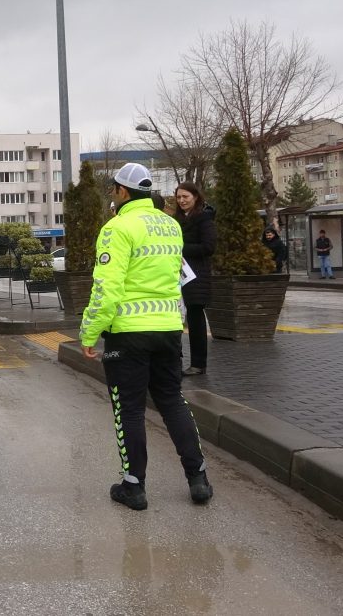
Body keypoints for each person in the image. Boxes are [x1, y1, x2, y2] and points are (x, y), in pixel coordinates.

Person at [80, 163, 212, 511]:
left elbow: (106, 289)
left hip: (128, 335)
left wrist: (89, 333)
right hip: (168, 330)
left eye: (113, 189)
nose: (112, 194)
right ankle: (198, 479)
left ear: (123, 192)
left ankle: (133, 485)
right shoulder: (171, 225)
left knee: (130, 410)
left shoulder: (117, 228)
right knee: (172, 401)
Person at [174, 183, 216, 377]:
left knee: (195, 318)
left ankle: (198, 364)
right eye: (179, 197)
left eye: (186, 196)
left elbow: (208, 247)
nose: (182, 200)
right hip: (178, 273)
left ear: (195, 197)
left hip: (196, 275)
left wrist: (181, 249)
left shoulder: (204, 218)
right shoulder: (177, 219)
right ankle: (179, 359)